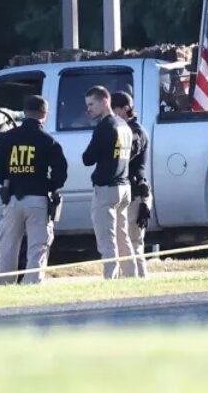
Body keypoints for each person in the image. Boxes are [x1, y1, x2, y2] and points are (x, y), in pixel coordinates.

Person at [0, 95, 68, 285]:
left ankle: (3, 285)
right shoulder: (48, 141)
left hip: (13, 199)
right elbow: (61, 173)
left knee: (7, 246)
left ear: (24, 113)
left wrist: (8, 182)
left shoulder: (7, 138)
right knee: (37, 247)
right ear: (44, 114)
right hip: (39, 201)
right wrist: (48, 185)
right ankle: (31, 284)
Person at [82, 86, 137, 279]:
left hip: (107, 188)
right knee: (123, 238)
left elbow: (87, 158)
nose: (88, 109)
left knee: (107, 239)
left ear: (105, 102)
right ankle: (131, 276)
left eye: (91, 104)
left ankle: (110, 279)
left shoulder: (105, 126)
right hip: (124, 185)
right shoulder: (124, 125)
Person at [111, 91, 153, 278]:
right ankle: (135, 278)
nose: (112, 114)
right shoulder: (132, 129)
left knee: (131, 241)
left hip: (136, 192)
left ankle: (137, 280)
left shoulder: (134, 132)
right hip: (136, 191)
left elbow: (126, 157)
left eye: (115, 110)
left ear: (125, 109)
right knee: (131, 241)